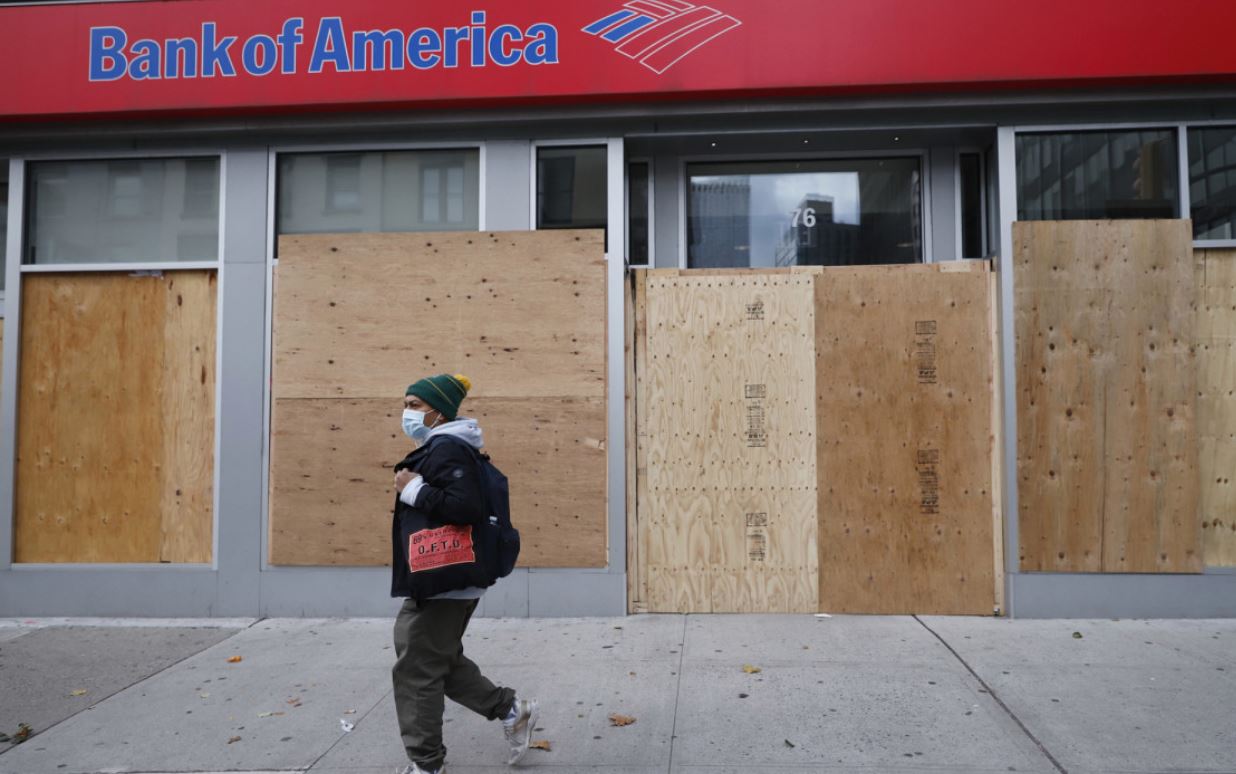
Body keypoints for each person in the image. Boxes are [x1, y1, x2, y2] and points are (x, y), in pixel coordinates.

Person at [390, 373, 538, 774]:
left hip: (443, 579)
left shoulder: (447, 449)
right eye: (406, 404)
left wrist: (413, 487)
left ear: (439, 411)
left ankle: (426, 764)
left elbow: (465, 507)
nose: (407, 412)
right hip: (448, 578)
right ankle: (510, 710)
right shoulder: (445, 447)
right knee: (435, 659)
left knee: (417, 670)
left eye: (415, 405)